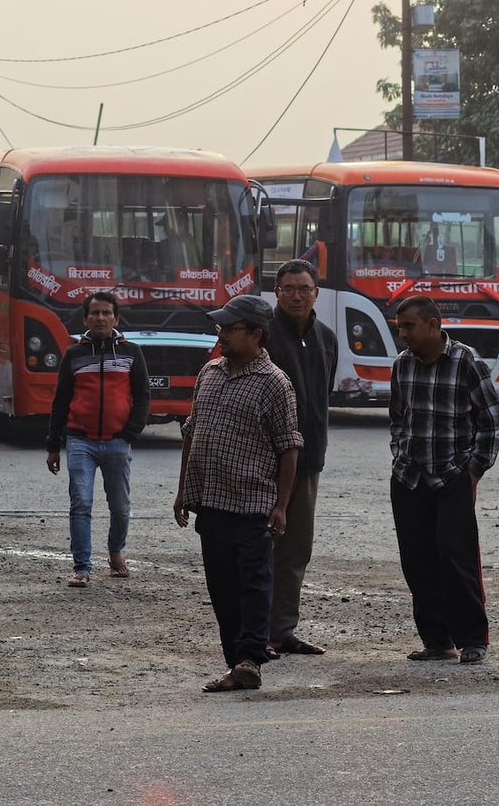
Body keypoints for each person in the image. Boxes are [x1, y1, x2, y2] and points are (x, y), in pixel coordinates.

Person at [173, 294, 301, 693]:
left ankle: (250, 658)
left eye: (230, 328)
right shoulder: (209, 373)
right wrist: (182, 491)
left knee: (254, 583)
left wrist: (281, 506)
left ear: (256, 334)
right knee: (222, 587)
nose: (222, 335)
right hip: (210, 501)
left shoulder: (275, 383)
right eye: (221, 328)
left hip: (252, 504)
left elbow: (289, 446)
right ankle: (236, 663)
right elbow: (191, 432)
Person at [388, 294, 499, 665]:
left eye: (409, 326)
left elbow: (492, 421)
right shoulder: (402, 366)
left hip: (453, 476)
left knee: (456, 558)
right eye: (400, 327)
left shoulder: (466, 361)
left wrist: (474, 469)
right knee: (417, 561)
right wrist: (399, 453)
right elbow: (397, 418)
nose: (403, 334)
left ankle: (472, 638)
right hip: (409, 479)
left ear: (433, 325)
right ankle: (437, 641)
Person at [45, 291, 150, 588]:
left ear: (116, 318)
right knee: (81, 503)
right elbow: (61, 400)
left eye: (107, 313)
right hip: (81, 442)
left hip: (118, 442)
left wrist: (130, 432)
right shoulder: (74, 354)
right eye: (95, 313)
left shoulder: (131, 352)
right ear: (85, 319)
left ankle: (116, 552)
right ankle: (81, 567)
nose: (101, 318)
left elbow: (143, 396)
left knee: (120, 506)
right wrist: (53, 445)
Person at [266, 258, 338, 658]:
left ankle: (281, 631)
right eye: (289, 288)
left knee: (295, 549)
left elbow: (323, 395)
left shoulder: (326, 337)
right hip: (263, 461)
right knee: (260, 547)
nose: (296, 295)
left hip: (308, 460)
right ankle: (255, 630)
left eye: (304, 288)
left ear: (316, 293)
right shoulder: (263, 334)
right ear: (277, 293)